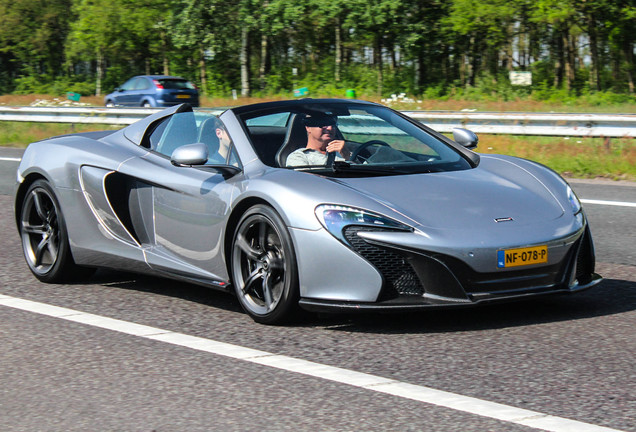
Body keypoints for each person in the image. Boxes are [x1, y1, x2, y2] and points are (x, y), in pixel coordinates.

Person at [286, 113, 351, 166]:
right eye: (323, 124)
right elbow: (305, 180)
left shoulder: (342, 151)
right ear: (308, 127)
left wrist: (347, 157)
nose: (330, 128)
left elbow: (359, 176)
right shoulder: (299, 156)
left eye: (333, 124)